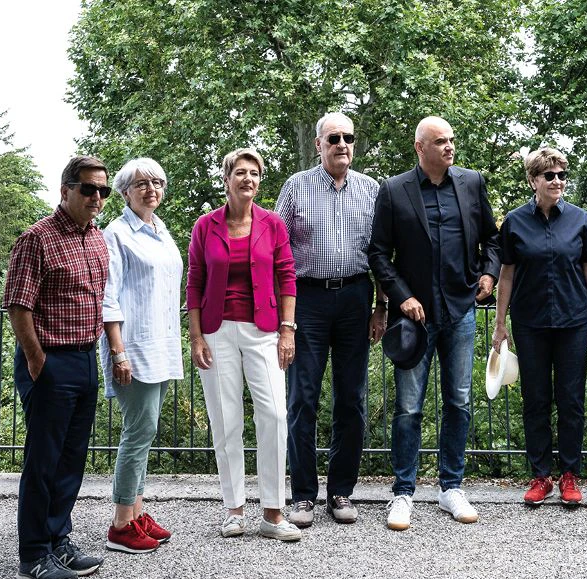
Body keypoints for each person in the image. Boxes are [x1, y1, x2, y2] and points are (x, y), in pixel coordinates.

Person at [368, 116, 501, 531]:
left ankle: (451, 487)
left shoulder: (471, 183)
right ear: (419, 147)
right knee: (409, 406)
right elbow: (377, 253)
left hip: (460, 309)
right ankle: (403, 493)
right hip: (416, 316)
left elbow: (492, 239)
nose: (449, 147)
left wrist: (489, 273)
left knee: (459, 400)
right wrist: (401, 296)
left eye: (452, 140)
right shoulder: (393, 190)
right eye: (440, 142)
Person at [276, 113, 386, 529]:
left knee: (351, 399)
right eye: (334, 138)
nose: (342, 144)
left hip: (357, 297)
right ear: (319, 144)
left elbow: (381, 253)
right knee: (302, 398)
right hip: (307, 300)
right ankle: (303, 495)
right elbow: (278, 251)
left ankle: (341, 491)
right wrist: (283, 317)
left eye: (349, 137)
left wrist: (382, 307)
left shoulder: (371, 189)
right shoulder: (296, 186)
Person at [4, 155, 110, 579]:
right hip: (50, 361)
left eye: (102, 190)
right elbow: (18, 303)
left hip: (86, 358)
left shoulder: (97, 238)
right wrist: (35, 358)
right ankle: (33, 555)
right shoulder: (37, 239)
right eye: (88, 189)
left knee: (71, 459)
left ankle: (58, 538)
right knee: (43, 460)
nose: (96, 198)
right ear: (65, 190)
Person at [186, 148, 302, 541]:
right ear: (227, 179)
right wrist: (196, 335)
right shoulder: (205, 226)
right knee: (226, 420)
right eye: (240, 172)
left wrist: (287, 330)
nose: (248, 179)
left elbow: (287, 277)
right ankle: (234, 510)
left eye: (254, 173)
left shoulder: (273, 225)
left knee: (273, 416)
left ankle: (273, 512)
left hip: (263, 330)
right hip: (217, 333)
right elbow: (195, 282)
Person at [492, 148, 587, 507]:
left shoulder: (578, 219)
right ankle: (541, 475)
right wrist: (499, 324)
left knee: (571, 400)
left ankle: (570, 474)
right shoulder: (514, 222)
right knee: (536, 400)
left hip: (574, 322)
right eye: (549, 176)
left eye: (561, 175)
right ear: (533, 181)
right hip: (530, 324)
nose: (557, 181)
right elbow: (506, 273)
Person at [99, 158, 183, 553]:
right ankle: (120, 523)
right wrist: (118, 353)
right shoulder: (115, 234)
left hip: (161, 346)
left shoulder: (161, 232)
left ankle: (137, 512)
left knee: (145, 432)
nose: (152, 189)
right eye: (142, 183)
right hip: (132, 349)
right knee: (137, 433)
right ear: (124, 192)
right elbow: (108, 297)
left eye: (158, 182)